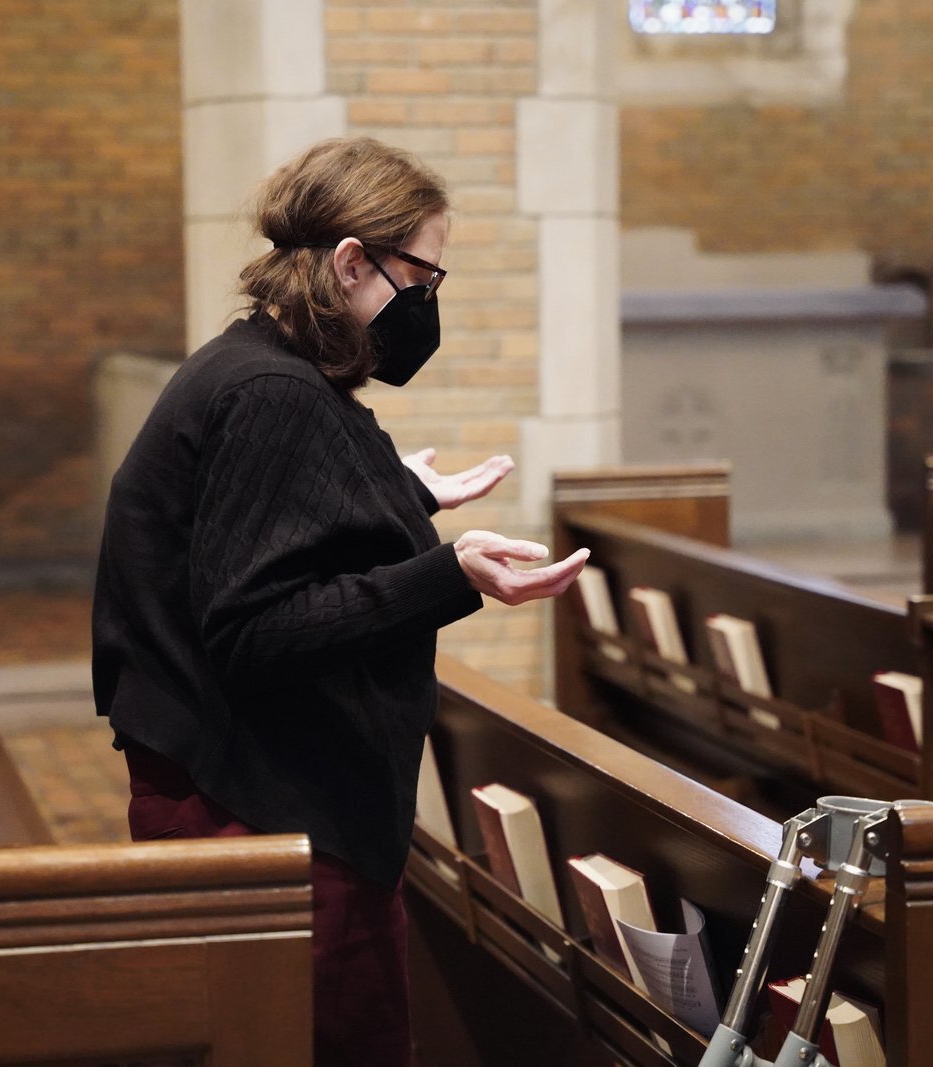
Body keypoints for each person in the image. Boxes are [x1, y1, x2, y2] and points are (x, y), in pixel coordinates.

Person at [91, 136, 588, 1067]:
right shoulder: (272, 395)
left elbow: (261, 533)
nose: (428, 303)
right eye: (422, 276)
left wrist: (395, 495)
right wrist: (454, 572)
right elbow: (255, 629)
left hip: (257, 799)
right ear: (353, 260)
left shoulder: (252, 367)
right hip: (264, 819)